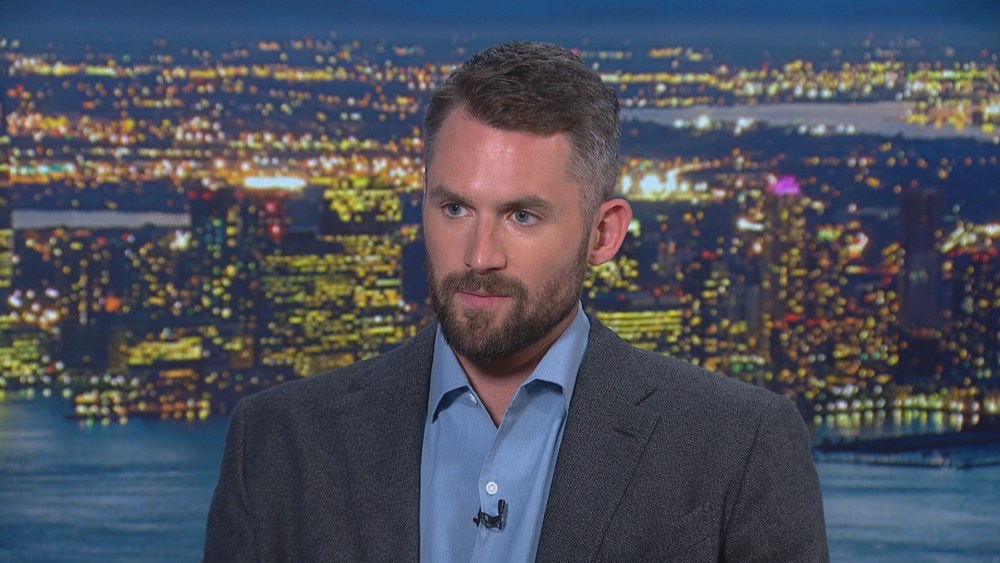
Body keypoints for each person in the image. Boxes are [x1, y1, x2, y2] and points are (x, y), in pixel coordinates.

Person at [204, 41, 828, 561]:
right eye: (455, 208)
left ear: (603, 234)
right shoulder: (278, 443)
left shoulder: (738, 448)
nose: (479, 255)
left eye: (522, 216)